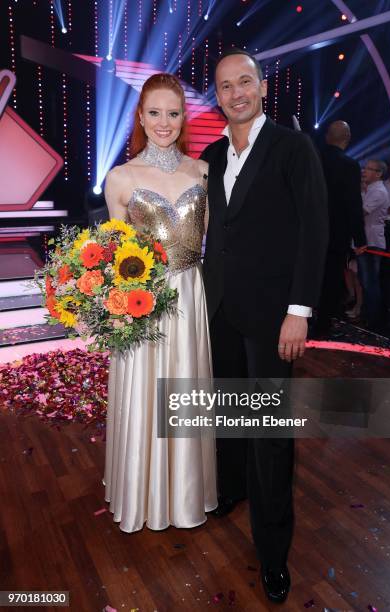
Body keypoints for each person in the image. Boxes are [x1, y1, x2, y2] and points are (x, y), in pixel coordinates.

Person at [201, 49, 328, 604]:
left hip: (274, 318)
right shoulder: (209, 154)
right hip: (221, 310)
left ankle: (273, 553)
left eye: (244, 82)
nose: (236, 93)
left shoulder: (292, 147)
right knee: (228, 413)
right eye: (226, 86)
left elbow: (314, 232)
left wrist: (298, 312)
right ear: (219, 95)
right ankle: (230, 490)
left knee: (271, 436)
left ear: (262, 87)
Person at [103, 73, 217, 532]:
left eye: (173, 113)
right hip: (144, 301)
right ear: (140, 117)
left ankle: (188, 493)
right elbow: (112, 254)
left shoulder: (203, 172)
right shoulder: (121, 178)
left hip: (192, 293)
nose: (164, 122)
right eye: (155, 113)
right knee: (146, 394)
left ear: (183, 116)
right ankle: (142, 493)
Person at [315, 120, 366, 332]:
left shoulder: (314, 158)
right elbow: (353, 203)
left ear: (327, 137)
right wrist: (360, 238)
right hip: (336, 233)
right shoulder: (349, 165)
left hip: (309, 230)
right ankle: (323, 324)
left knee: (308, 276)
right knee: (331, 279)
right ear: (348, 138)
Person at [358, 159, 389, 329]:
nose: (364, 171)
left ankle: (374, 322)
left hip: (372, 242)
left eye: (369, 169)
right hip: (365, 239)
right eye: (365, 168)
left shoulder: (379, 192)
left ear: (379, 174)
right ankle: (367, 316)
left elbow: (361, 211)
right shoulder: (368, 189)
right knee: (365, 281)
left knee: (370, 283)